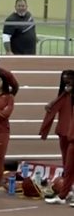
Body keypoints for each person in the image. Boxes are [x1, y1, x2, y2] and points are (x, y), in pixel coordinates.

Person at [42, 71, 74, 204]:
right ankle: (67, 192)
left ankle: (66, 193)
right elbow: (51, 107)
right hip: (63, 132)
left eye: (70, 80)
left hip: (71, 135)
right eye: (64, 80)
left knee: (70, 165)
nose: (67, 82)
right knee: (67, 164)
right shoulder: (63, 95)